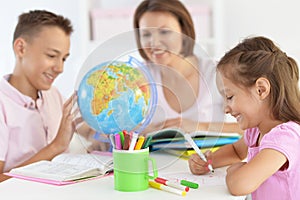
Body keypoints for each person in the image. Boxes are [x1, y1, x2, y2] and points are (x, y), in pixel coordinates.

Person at [188, 36, 300, 199]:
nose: (226, 109)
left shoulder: (285, 137)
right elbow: (235, 151)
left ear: (261, 90)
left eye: (230, 97)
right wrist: (208, 161)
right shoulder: (256, 130)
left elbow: (240, 185)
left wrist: (234, 171)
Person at [0, 10, 90, 182]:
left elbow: (85, 129)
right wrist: (56, 147)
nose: (60, 68)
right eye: (51, 56)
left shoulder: (53, 95)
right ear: (21, 48)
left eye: (63, 59)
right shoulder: (3, 104)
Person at [133, 0, 242, 134]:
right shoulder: (137, 78)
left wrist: (200, 127)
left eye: (164, 32)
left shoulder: (217, 72)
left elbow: (254, 129)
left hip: (210, 155)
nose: (154, 42)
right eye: (146, 34)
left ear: (184, 32)